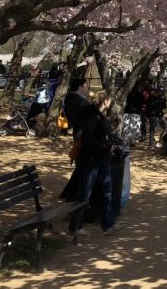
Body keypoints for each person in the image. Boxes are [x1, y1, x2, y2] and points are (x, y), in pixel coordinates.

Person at [67, 91, 118, 240]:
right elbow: (88, 138)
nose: (110, 103)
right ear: (105, 101)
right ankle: (75, 225)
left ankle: (108, 224)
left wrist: (109, 144)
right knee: (85, 194)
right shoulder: (91, 115)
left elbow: (103, 135)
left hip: (102, 159)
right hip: (90, 161)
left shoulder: (101, 116)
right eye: (109, 101)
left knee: (106, 192)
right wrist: (105, 146)